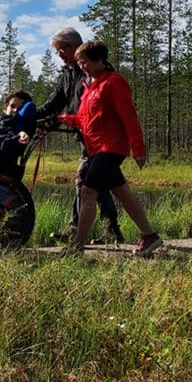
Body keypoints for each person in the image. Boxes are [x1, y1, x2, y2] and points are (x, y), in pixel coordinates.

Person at [57, 40, 162, 254]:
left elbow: (129, 118)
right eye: (79, 62)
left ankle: (76, 246)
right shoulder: (89, 87)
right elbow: (87, 119)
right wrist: (66, 119)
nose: (81, 66)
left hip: (110, 148)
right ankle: (150, 236)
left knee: (87, 192)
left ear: (99, 59)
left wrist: (139, 149)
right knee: (122, 193)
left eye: (84, 62)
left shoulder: (114, 82)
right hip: (96, 149)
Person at [35, 28, 124, 244]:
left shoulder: (96, 72)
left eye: (60, 50)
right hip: (86, 138)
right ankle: (113, 232)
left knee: (84, 181)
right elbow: (54, 102)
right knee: (102, 185)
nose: (59, 56)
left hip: (102, 141)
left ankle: (75, 234)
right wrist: (31, 116)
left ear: (72, 46)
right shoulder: (67, 75)